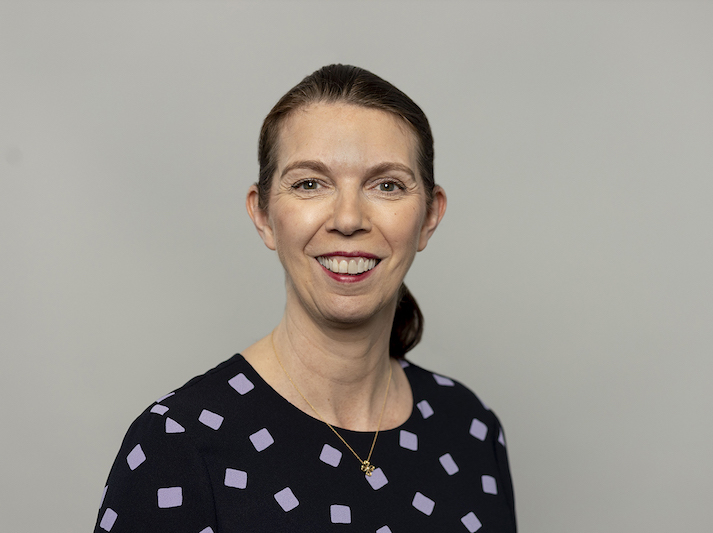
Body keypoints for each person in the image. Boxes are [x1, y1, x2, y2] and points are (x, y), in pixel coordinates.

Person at [94, 64, 516, 532]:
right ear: (264, 215)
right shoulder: (177, 446)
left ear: (429, 216)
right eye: (309, 184)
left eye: (387, 185)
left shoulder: (470, 430)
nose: (349, 218)